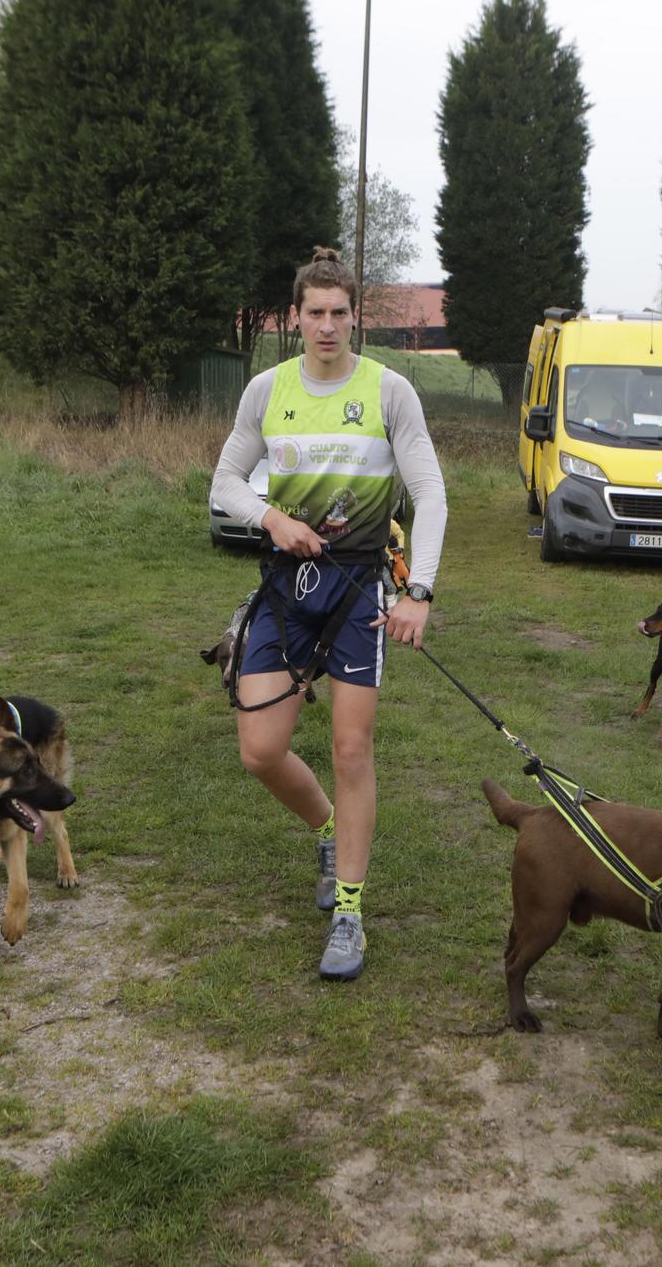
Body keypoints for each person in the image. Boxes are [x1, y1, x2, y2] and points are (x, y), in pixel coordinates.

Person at [210, 248, 448, 982]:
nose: (327, 325)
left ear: (355, 316)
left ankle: (349, 909)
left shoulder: (390, 391)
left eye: (340, 312)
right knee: (260, 746)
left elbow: (431, 496)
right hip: (286, 584)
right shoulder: (266, 390)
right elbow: (223, 483)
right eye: (314, 312)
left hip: (356, 590)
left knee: (351, 749)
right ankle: (325, 828)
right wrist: (271, 518)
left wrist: (420, 593)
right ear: (296, 316)